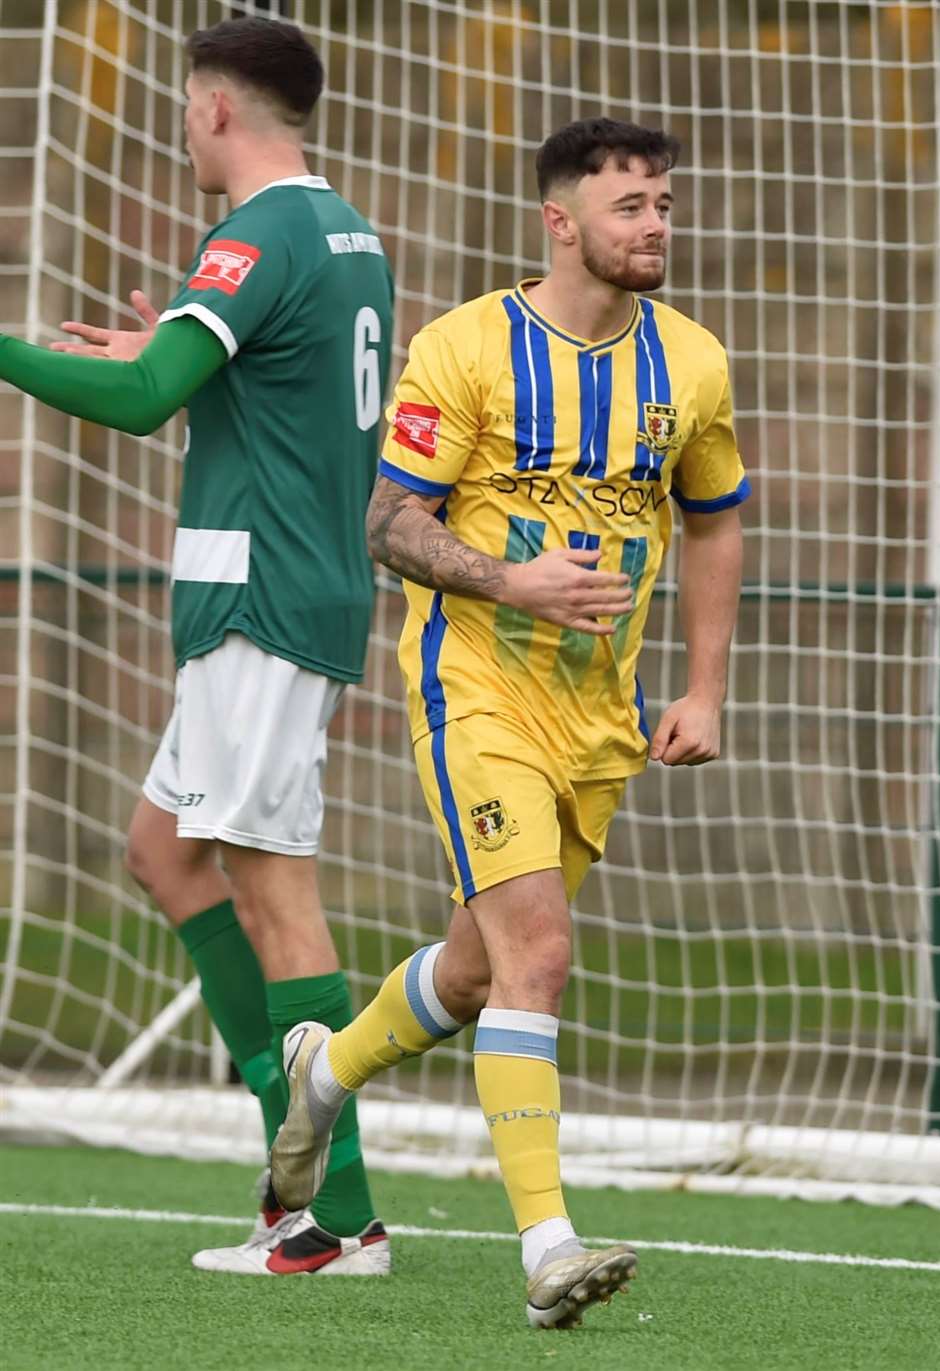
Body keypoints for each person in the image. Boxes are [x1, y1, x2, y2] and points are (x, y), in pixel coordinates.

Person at [270, 117, 750, 1326]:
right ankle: (548, 1248)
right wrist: (506, 578)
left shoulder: (692, 363)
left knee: (483, 973)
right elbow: (388, 524)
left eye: (664, 205)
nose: (655, 226)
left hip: (603, 715)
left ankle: (324, 1070)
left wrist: (703, 687)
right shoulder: (466, 348)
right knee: (539, 954)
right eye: (630, 207)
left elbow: (714, 520)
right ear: (560, 220)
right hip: (472, 687)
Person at [0, 16, 394, 1276]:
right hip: (274, 592)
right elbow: (242, 385)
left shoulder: (256, 232)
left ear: (216, 108)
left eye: (182, 106)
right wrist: (169, 355)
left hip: (261, 603)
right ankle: (293, 1153)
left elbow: (136, 400)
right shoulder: (342, 230)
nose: (179, 127)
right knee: (166, 855)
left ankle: (334, 1215)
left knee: (275, 894)